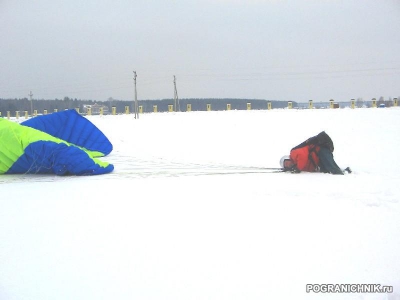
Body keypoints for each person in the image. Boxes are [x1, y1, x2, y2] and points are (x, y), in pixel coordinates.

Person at [280, 131, 351, 175]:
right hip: (318, 159)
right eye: (286, 166)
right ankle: (345, 171)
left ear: (288, 158)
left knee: (332, 169)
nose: (288, 165)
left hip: (320, 150)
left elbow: (303, 156)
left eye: (287, 163)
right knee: (326, 171)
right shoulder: (297, 164)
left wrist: (298, 168)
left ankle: (342, 176)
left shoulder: (293, 153)